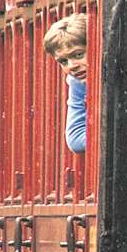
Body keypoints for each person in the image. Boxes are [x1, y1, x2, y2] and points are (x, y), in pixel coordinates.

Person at [43, 13, 89, 153]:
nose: (71, 66)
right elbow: (75, 138)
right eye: (63, 61)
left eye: (79, 54)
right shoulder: (78, 81)